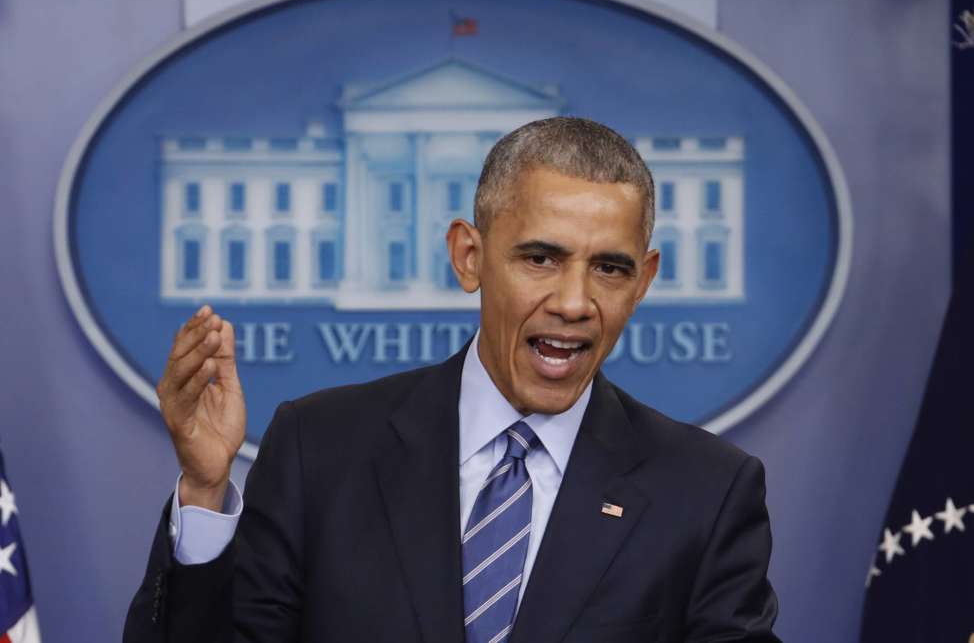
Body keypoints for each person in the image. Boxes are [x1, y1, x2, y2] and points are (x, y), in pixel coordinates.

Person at [124, 117, 780, 642]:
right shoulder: (319, 448)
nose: (575, 301)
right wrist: (207, 492)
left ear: (643, 282)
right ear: (470, 256)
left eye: (610, 269)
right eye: (542, 258)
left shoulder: (707, 490)